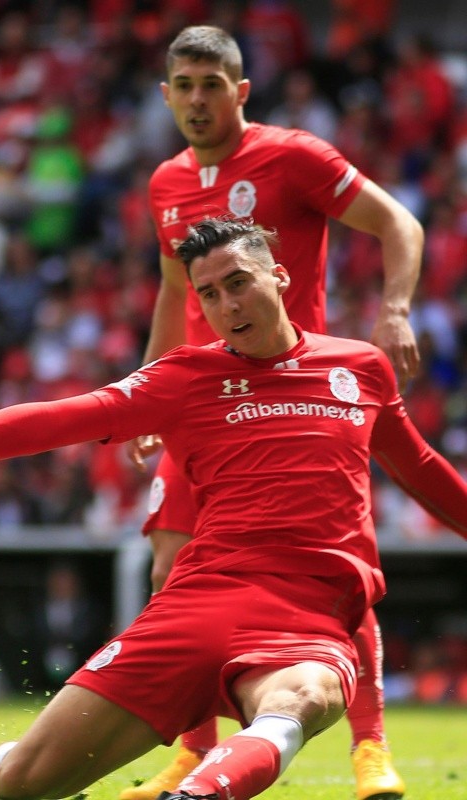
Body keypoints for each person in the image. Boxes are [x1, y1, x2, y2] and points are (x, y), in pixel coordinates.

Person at [0, 218, 467, 800]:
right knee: (29, 782)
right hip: (196, 606)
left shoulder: (359, 368)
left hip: (305, 619)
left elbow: (423, 472)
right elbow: (67, 417)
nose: (226, 306)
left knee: (306, 696)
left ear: (279, 275)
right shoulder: (186, 376)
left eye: (238, 283)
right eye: (209, 294)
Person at [125, 25, 423, 800]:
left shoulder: (295, 157)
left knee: (334, 576)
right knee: (170, 566)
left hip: (298, 399)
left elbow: (399, 222)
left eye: (211, 84)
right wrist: (150, 391)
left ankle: (371, 751)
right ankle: (194, 752)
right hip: (203, 405)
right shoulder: (164, 183)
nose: (196, 99)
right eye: (183, 85)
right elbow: (169, 290)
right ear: (166, 94)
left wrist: (394, 310)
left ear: (240, 91)